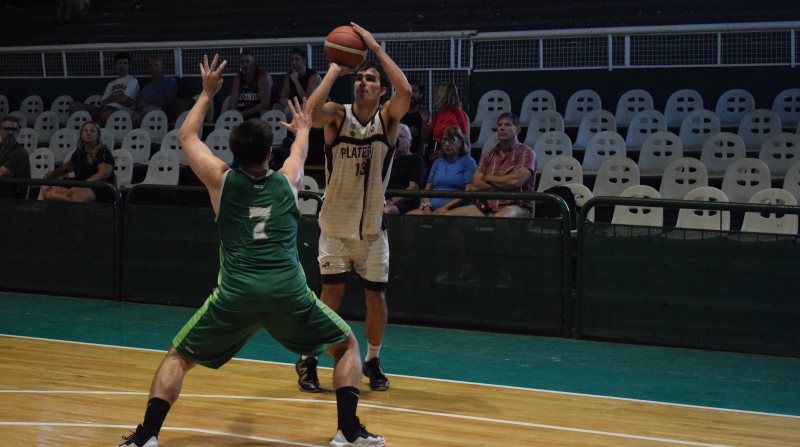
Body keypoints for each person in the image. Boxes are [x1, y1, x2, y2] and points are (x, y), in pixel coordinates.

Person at [115, 54, 385, 447]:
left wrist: (207, 94)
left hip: (236, 294)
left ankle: (145, 437)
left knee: (177, 358)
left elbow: (186, 137)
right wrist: (302, 127)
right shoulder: (287, 181)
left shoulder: (220, 181)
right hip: (288, 292)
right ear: (268, 153)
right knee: (347, 347)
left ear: (233, 153)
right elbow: (300, 151)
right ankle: (348, 431)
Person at [296, 23, 411, 393]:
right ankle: (308, 359)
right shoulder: (337, 115)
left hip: (372, 231)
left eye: (370, 79)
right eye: (359, 77)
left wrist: (375, 49)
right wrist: (334, 69)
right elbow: (309, 114)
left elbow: (406, 91)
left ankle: (372, 360)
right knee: (329, 298)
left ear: (381, 90)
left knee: (376, 299)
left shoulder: (388, 120)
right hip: (334, 227)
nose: (363, 82)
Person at [447, 112, 536, 218]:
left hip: (517, 206)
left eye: (507, 125)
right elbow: (475, 186)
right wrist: (506, 180)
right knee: (448, 216)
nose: (502, 128)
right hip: (486, 208)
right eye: (499, 125)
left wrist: (488, 178)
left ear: (517, 130)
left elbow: (516, 181)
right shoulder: (487, 156)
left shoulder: (527, 153)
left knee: (499, 218)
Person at [407, 125, 476, 215]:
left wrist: (445, 208)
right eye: (444, 140)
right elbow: (427, 190)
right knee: (408, 217)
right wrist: (426, 208)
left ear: (460, 142)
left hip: (456, 209)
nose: (447, 144)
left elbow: (468, 191)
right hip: (432, 209)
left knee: (445, 217)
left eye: (451, 140)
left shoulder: (468, 162)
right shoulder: (438, 162)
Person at [42, 120, 115, 202]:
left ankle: (71, 200)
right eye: (86, 130)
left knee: (76, 197)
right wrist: (52, 174)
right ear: (81, 134)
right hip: (78, 184)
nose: (88, 133)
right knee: (49, 194)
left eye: (92, 131)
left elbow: (104, 174)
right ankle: (69, 200)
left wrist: (82, 185)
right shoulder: (79, 152)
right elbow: (67, 167)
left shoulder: (103, 152)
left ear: (98, 135)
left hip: (98, 187)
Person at [69, 52, 139, 126]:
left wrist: (110, 97)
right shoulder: (111, 83)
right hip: (103, 109)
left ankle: (95, 126)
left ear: (129, 65)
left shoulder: (133, 81)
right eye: (119, 63)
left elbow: (124, 99)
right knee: (74, 105)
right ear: (115, 65)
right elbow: (102, 103)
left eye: (125, 63)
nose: (122, 66)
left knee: (105, 114)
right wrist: (116, 99)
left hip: (121, 111)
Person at [384, 124, 425, 215]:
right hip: (384, 201)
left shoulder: (416, 160)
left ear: (410, 141)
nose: (397, 140)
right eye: (395, 136)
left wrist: (391, 201)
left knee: (387, 210)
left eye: (401, 137)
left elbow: (413, 188)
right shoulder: (386, 160)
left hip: (404, 203)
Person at [131, 56, 178, 127]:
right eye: (151, 65)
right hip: (140, 109)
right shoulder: (146, 86)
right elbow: (138, 100)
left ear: (162, 67)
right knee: (121, 113)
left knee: (136, 117)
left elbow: (170, 101)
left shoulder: (168, 81)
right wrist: (135, 104)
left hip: (157, 110)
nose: (153, 68)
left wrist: (148, 104)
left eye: (156, 65)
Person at [226, 49, 274, 118]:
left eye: (247, 62)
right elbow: (233, 100)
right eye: (242, 62)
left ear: (253, 63)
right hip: (243, 109)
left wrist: (243, 114)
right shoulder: (238, 77)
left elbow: (265, 103)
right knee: (227, 105)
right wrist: (233, 114)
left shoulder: (263, 76)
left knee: (263, 112)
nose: (244, 65)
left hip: (259, 111)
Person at [275, 47, 321, 115]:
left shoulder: (314, 77)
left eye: (297, 59)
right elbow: (283, 95)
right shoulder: (289, 76)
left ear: (304, 60)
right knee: (276, 106)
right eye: (292, 60)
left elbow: (307, 100)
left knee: (302, 107)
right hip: (296, 105)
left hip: (314, 108)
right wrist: (284, 100)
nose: (293, 62)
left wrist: (296, 81)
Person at [427, 82, 468, 155]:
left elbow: (462, 141)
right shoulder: (439, 113)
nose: (435, 95)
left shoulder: (457, 114)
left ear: (446, 95)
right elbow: (428, 136)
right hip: (435, 152)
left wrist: (443, 153)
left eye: (438, 92)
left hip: (449, 155)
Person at [0, 115, 31, 199]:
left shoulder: (20, 153)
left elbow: (1, 173)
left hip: (13, 198)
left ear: (18, 132)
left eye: (14, 129)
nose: (10, 132)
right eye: (6, 129)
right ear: (0, 131)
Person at [400, 78, 430, 157]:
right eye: (409, 90)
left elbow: (425, 140)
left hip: (416, 157)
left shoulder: (423, 115)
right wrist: (408, 133)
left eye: (414, 91)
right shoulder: (397, 113)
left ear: (421, 95)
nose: (411, 94)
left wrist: (424, 122)